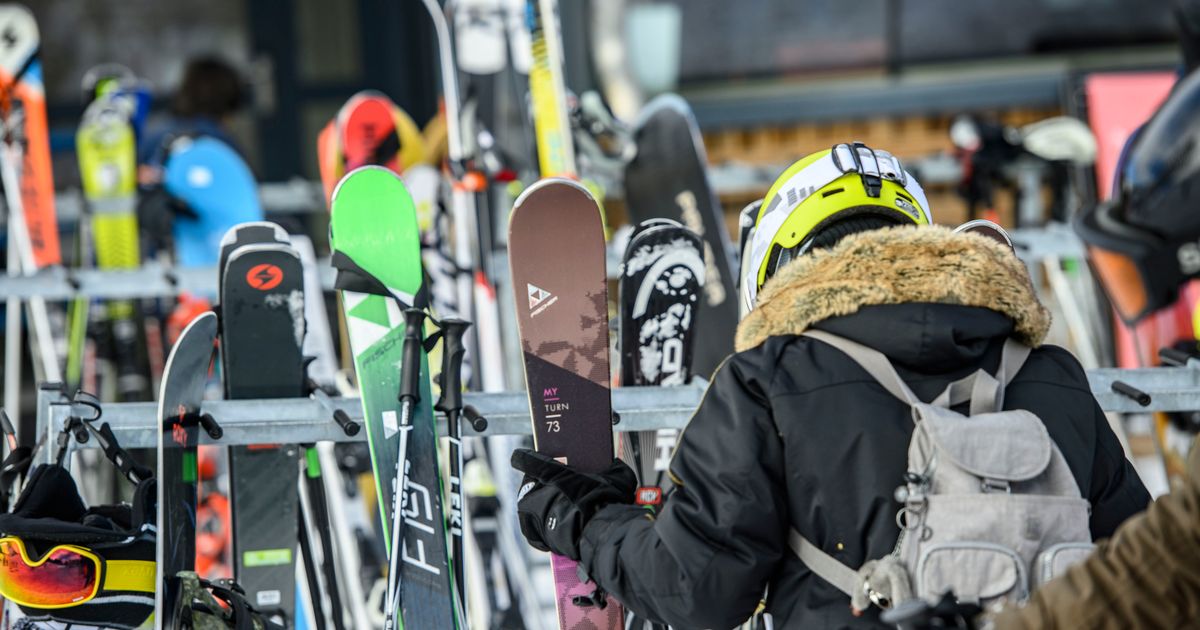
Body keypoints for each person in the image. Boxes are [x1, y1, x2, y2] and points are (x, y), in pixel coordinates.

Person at [512, 143, 1150, 628]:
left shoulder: (767, 383)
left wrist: (583, 519)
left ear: (780, 260)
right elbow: (1146, 568)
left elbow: (698, 589)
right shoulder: (1050, 376)